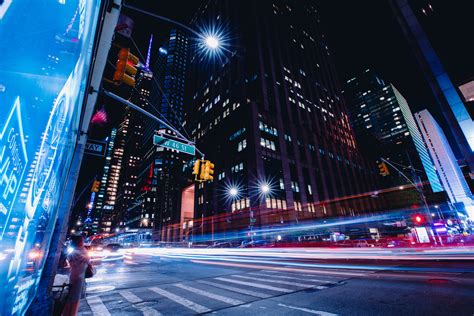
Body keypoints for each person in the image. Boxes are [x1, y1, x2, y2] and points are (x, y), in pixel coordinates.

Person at [62, 235, 92, 316]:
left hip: (75, 276)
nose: (83, 242)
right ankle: (71, 314)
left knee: (72, 298)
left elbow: (67, 262)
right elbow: (88, 261)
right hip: (78, 277)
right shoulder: (81, 252)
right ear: (79, 242)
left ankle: (68, 313)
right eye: (82, 241)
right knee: (74, 299)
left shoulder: (75, 252)